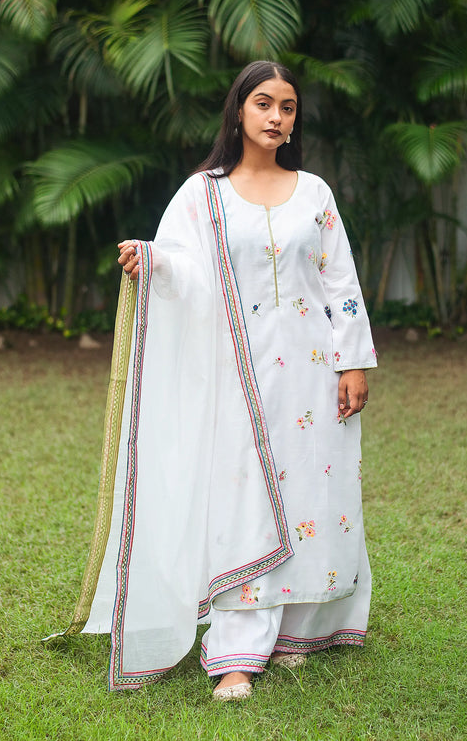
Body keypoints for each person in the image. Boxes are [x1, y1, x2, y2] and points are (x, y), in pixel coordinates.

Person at [48, 60, 377, 700]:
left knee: (314, 492)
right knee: (241, 500)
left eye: (287, 107)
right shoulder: (204, 193)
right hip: (238, 375)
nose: (277, 117)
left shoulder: (315, 192)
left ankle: (301, 631)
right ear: (239, 111)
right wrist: (152, 262)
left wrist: (354, 361)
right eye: (264, 103)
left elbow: (340, 280)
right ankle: (237, 652)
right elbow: (185, 267)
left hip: (312, 375)